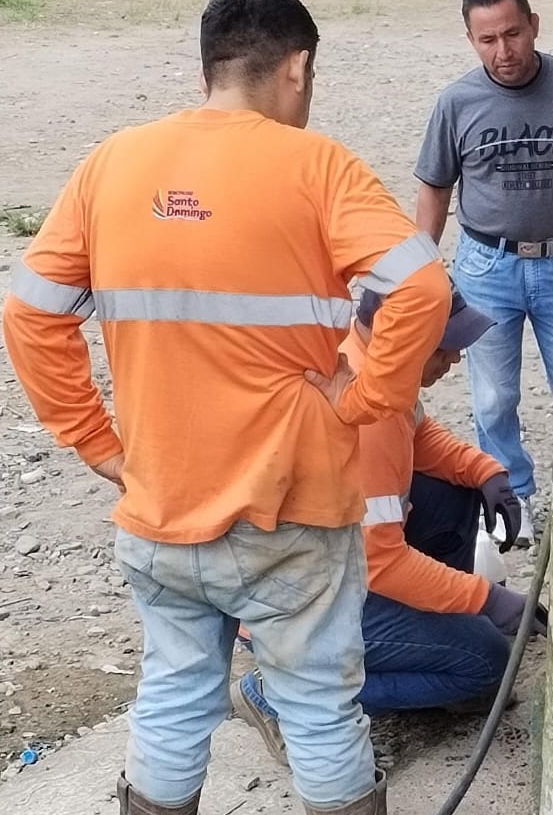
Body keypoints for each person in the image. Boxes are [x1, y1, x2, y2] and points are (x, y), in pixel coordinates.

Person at [2, 0, 451, 815]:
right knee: (317, 701)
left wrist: (98, 442)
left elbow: (30, 315)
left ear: (210, 64)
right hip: (293, 508)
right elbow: (422, 287)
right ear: (296, 68)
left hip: (161, 503)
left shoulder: (114, 164)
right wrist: (364, 400)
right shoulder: (317, 167)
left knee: (173, 693)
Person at [230, 285, 537, 757]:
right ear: (401, 341)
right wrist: (485, 598)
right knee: (487, 661)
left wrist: (485, 473)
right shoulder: (363, 414)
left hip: (325, 572)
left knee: (453, 492)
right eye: (444, 345)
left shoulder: (371, 367)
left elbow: (418, 436)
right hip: (300, 605)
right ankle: (282, 694)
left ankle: (431, 649)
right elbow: (380, 561)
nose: (456, 357)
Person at [414, 0, 553, 549]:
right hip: (487, 265)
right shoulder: (457, 103)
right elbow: (434, 188)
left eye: (513, 33)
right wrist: (421, 270)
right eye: (488, 40)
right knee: (495, 396)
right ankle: (512, 497)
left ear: (534, 25)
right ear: (471, 41)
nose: (504, 51)